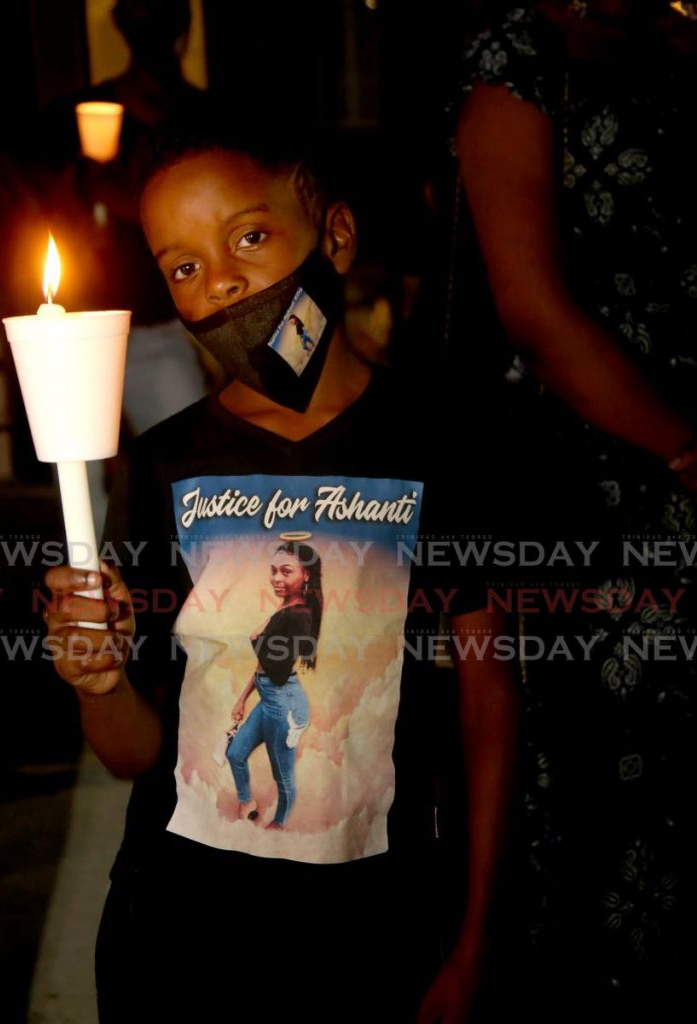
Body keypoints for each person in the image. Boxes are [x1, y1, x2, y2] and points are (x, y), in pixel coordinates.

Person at [43, 119, 519, 1023]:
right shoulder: (164, 467)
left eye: (248, 238)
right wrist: (98, 679)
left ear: (334, 237)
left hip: (375, 932)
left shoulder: (436, 443)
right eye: (181, 266)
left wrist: (475, 936)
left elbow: (488, 701)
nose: (218, 280)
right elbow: (133, 751)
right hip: (179, 936)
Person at [453, 1, 697, 1018]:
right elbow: (533, 306)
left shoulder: (678, 34)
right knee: (612, 816)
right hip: (601, 477)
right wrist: (687, 449)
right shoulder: (520, 49)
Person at [226, 540, 322, 829]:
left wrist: (255, 640)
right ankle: (247, 802)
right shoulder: (286, 609)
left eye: (286, 572)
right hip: (269, 698)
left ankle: (279, 823)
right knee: (235, 753)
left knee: (282, 774)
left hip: (284, 702)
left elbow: (277, 671)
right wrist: (242, 698)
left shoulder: (300, 616)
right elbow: (264, 667)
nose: (276, 579)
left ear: (305, 575)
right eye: (273, 571)